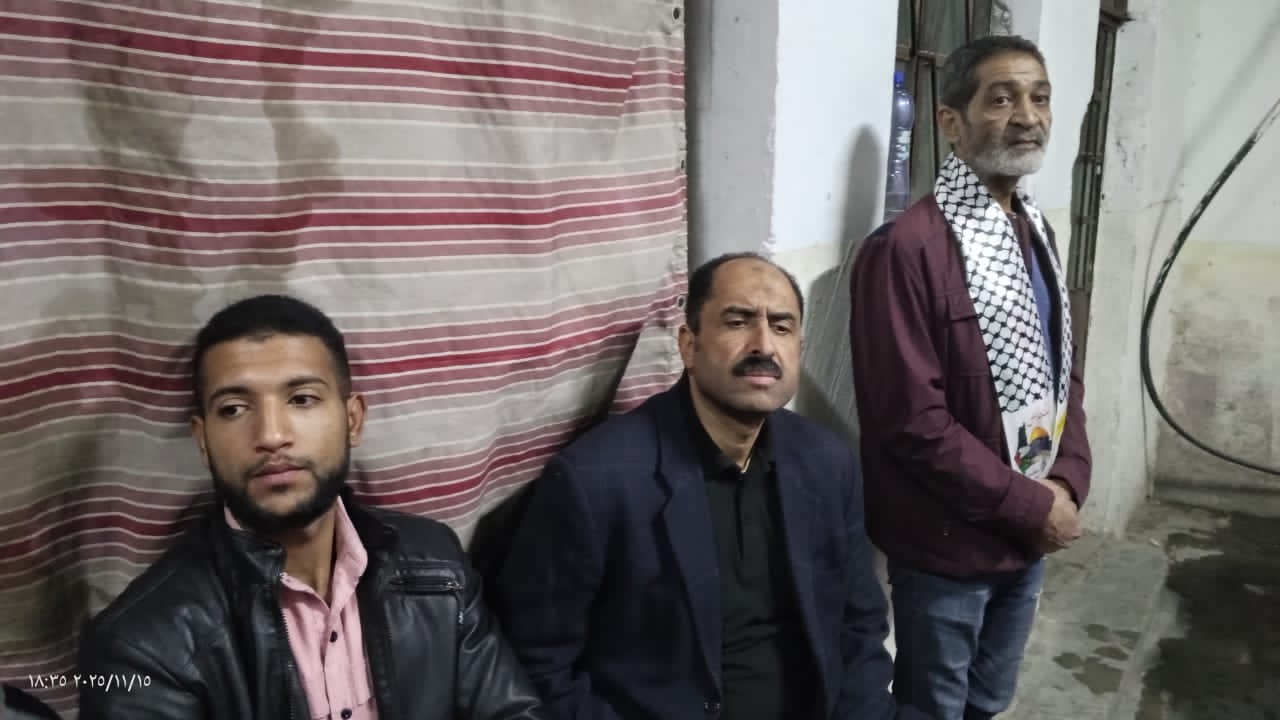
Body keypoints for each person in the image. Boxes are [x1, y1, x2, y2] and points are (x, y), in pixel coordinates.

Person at [492, 253, 926, 719]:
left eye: (782, 327)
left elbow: (858, 623)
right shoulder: (595, 480)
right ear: (689, 345)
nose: (764, 345)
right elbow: (539, 667)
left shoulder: (827, 462)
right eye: (738, 322)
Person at [77, 294, 544, 720]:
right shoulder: (141, 645)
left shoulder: (436, 564)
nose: (271, 435)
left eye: (302, 399)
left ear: (352, 419)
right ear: (202, 440)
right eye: (234, 408)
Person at [848, 35, 1092, 720]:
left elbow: (1063, 373)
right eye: (1002, 99)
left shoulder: (1035, 233)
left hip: (1025, 533)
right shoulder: (906, 250)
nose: (1027, 116)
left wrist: (1067, 481)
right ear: (950, 121)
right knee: (934, 707)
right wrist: (1034, 505)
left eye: (1040, 98)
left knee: (988, 701)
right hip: (948, 546)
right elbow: (912, 423)